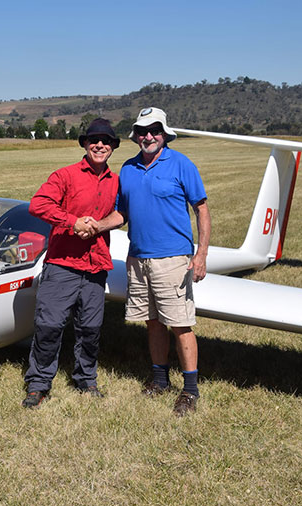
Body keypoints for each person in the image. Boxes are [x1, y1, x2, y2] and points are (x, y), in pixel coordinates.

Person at [86, 107, 211, 416]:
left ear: (164, 133)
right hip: (138, 259)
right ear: (135, 137)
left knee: (180, 324)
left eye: (154, 130)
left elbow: (202, 208)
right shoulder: (127, 169)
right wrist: (96, 226)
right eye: (142, 131)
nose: (148, 136)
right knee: (152, 322)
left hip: (172, 259)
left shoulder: (181, 164)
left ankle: (190, 390)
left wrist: (201, 254)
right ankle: (160, 380)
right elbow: (122, 213)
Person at [22, 118, 120, 408]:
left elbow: (121, 213)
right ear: (85, 144)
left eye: (105, 141)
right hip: (62, 264)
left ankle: (86, 380)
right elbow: (37, 204)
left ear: (113, 147)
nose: (99, 145)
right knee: (49, 325)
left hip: (95, 265)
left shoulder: (117, 181)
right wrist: (73, 221)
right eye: (94, 140)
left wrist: (99, 226)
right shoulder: (65, 175)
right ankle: (38, 384)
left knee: (90, 328)